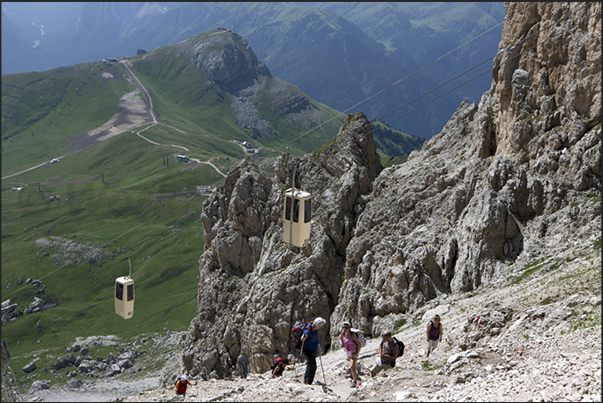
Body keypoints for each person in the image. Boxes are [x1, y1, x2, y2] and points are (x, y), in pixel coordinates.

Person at [300, 316, 326, 385]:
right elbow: (302, 338)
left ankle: (307, 380)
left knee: (311, 364)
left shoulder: (313, 327)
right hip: (308, 350)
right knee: (312, 365)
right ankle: (308, 381)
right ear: (319, 326)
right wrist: (304, 336)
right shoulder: (308, 330)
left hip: (313, 349)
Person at [341, 321, 361, 388]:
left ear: (349, 328)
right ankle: (352, 374)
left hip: (354, 351)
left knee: (352, 366)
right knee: (352, 366)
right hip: (348, 352)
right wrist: (344, 347)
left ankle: (354, 382)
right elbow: (342, 341)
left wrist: (357, 353)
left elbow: (359, 344)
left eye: (346, 327)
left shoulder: (352, 335)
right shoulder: (343, 334)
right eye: (344, 327)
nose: (345, 329)